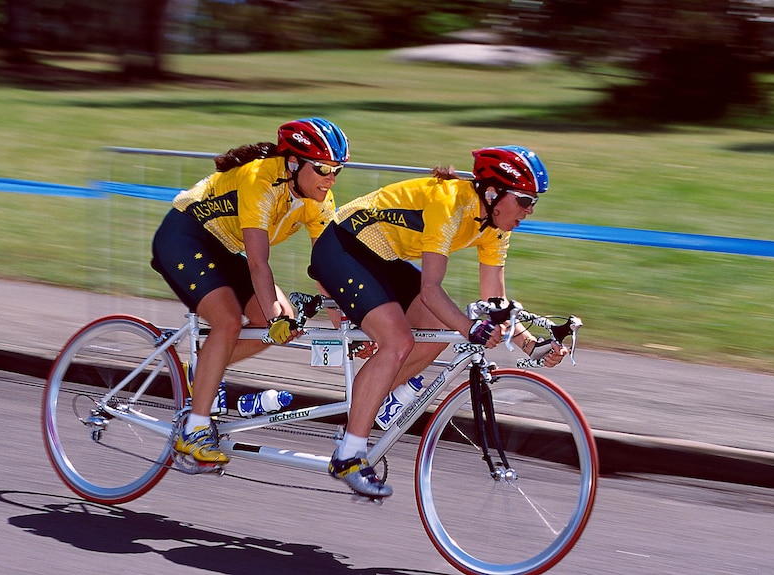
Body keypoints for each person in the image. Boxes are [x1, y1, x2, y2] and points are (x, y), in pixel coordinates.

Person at [309, 145, 569, 497]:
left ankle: (368, 410)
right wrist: (471, 328)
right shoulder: (450, 203)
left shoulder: (494, 224)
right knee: (398, 341)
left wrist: (531, 346)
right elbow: (431, 290)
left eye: (534, 202)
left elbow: (495, 300)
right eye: (524, 200)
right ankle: (349, 456)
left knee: (442, 326)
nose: (529, 210)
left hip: (382, 257)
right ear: (493, 193)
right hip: (343, 247)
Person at [151, 117, 349, 465]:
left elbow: (327, 270)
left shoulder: (320, 200)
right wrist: (274, 317)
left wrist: (345, 324)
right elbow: (258, 262)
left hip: (223, 248)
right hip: (184, 236)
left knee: (284, 323)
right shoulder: (261, 178)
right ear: (293, 163)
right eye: (322, 168)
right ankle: (193, 431)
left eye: (336, 170)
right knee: (229, 322)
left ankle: (199, 371)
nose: (330, 178)